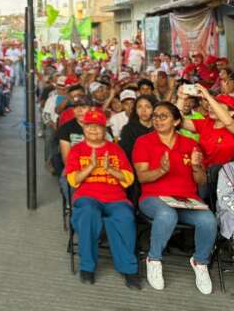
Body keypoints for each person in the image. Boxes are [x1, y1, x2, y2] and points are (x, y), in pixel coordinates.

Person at [132, 102, 216, 294]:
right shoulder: (144, 141)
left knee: (209, 220)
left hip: (186, 199)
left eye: (163, 116)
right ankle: (154, 259)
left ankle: (200, 262)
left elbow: (202, 181)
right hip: (154, 198)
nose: (157, 120)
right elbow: (142, 177)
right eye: (155, 116)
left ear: (176, 121)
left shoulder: (190, 144)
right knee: (166, 214)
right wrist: (161, 170)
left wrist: (196, 166)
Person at [65, 109, 140, 288]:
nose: (93, 130)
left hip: (116, 198)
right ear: (83, 127)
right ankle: (87, 267)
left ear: (104, 128)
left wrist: (110, 169)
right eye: (89, 126)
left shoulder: (115, 149)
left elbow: (128, 180)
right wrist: (91, 167)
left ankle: (129, 269)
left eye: (98, 127)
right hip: (87, 197)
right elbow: (73, 180)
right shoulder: (77, 150)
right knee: (88, 214)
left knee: (125, 218)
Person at [179, 85, 234, 167]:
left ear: (231, 113)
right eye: (211, 104)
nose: (211, 107)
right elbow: (178, 121)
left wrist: (207, 96)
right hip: (202, 173)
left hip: (225, 177)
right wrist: (181, 99)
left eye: (218, 106)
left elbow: (229, 122)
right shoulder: (206, 123)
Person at [118, 95, 156, 162]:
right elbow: (126, 155)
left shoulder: (160, 127)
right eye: (139, 107)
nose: (143, 110)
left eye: (148, 107)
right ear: (135, 110)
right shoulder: (128, 129)